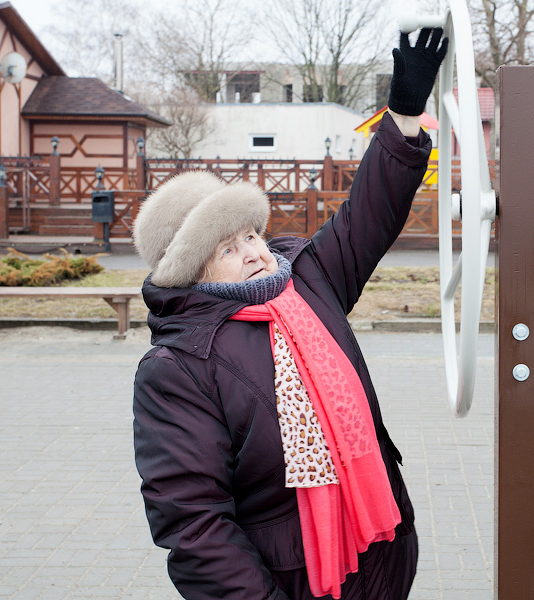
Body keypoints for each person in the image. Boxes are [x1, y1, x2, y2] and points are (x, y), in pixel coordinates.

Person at [131, 28, 448, 600]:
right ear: (192, 269)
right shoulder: (176, 368)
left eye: (252, 233)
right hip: (295, 580)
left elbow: (368, 214)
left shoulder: (306, 280)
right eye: (228, 248)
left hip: (382, 551)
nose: (255, 251)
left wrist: (402, 114)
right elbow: (196, 526)